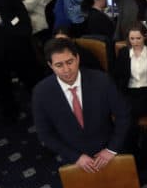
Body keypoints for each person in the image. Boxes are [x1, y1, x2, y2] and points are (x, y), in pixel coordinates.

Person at [32, 37, 130, 171]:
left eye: (70, 62)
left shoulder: (102, 80)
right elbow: (45, 134)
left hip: (109, 151)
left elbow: (123, 115)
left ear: (77, 58)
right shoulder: (41, 93)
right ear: (50, 65)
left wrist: (111, 149)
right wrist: (75, 157)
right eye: (59, 65)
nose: (67, 70)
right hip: (72, 159)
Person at [112, 23, 147, 120]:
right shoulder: (123, 53)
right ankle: (140, 134)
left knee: (128, 112)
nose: (135, 42)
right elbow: (116, 76)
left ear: (145, 37)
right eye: (132, 38)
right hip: (129, 92)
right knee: (127, 109)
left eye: (138, 38)